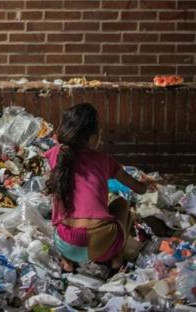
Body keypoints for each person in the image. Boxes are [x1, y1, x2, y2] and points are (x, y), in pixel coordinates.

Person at [43, 103, 149, 275]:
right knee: (121, 204)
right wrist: (146, 183)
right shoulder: (105, 161)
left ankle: (68, 263)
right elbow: (140, 189)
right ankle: (116, 260)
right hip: (102, 244)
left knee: (65, 215)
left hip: (66, 243)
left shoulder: (57, 155)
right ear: (93, 137)